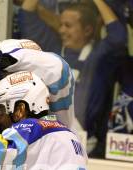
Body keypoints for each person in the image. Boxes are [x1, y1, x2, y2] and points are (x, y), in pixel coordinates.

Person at [19, 0, 127, 155]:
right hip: (48, 147)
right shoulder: (52, 52)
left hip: (89, 152)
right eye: (61, 24)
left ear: (88, 30)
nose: (61, 30)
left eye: (68, 26)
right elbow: (26, 14)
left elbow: (118, 36)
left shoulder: (99, 58)